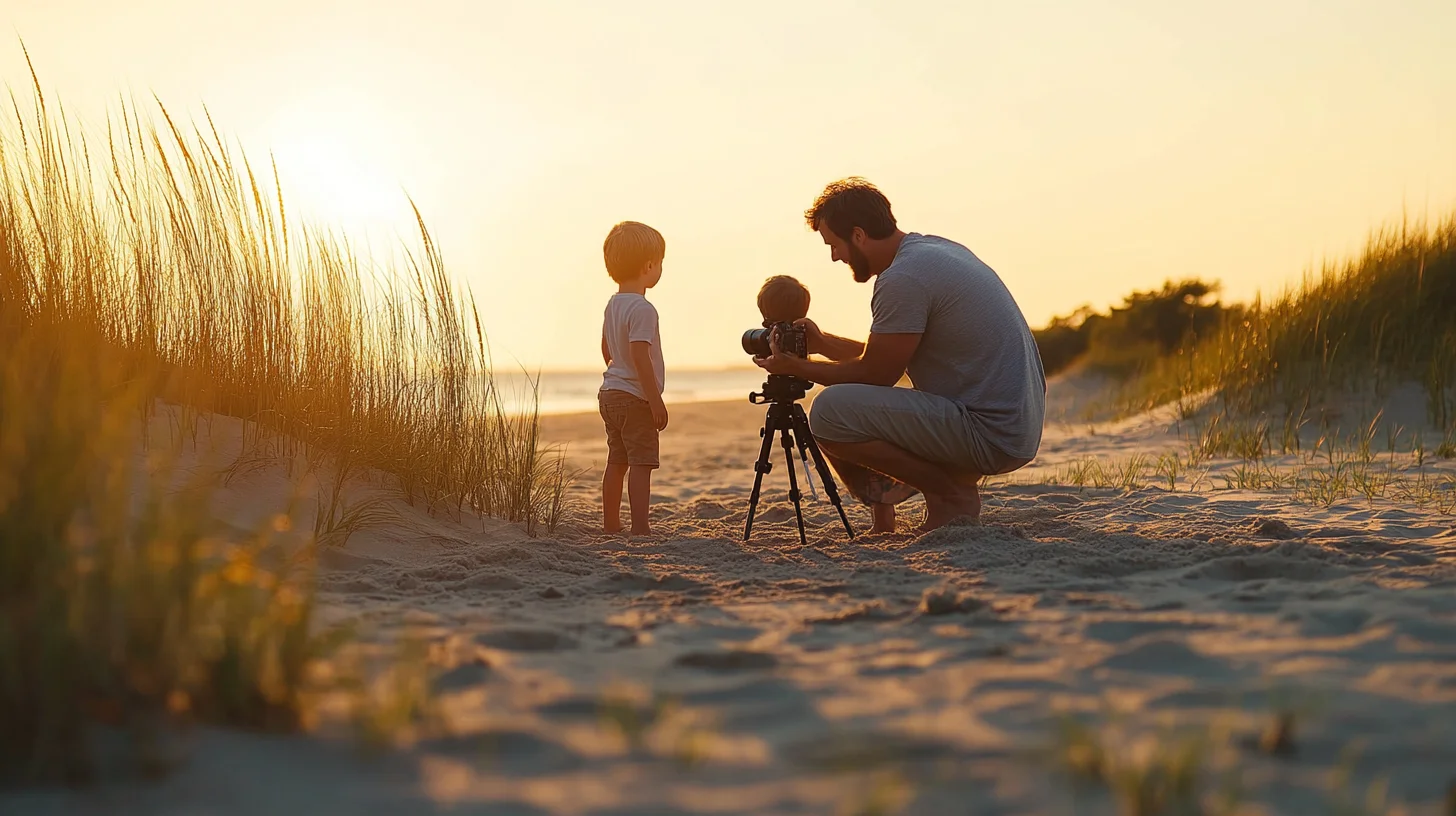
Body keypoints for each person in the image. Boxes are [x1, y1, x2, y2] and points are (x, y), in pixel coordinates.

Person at [754, 178, 1046, 533]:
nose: (835, 257)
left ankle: (948, 493)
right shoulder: (933, 251)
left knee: (830, 412)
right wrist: (821, 343)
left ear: (858, 235)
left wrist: (798, 367)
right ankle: (941, 490)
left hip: (988, 432)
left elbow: (877, 374)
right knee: (851, 403)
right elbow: (887, 355)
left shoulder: (902, 278)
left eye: (834, 244)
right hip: (1012, 425)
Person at [598, 221, 669, 535]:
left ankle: (611, 526)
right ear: (649, 266)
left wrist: (617, 371)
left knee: (617, 462)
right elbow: (640, 355)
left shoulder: (613, 304)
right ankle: (640, 528)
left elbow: (606, 347)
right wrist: (655, 400)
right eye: (661, 263)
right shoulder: (643, 308)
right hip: (634, 398)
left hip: (610, 392)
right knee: (641, 464)